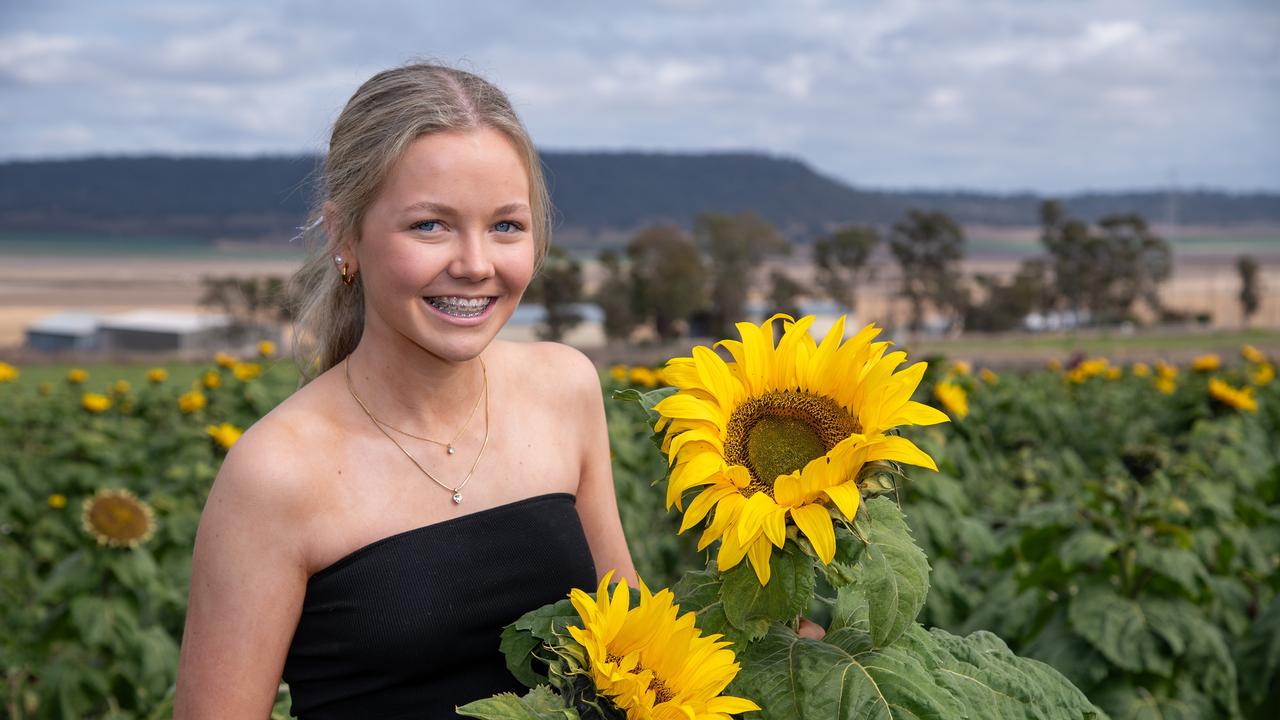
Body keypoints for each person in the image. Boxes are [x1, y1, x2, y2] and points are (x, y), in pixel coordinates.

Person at [174, 63, 637, 718]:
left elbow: (633, 639)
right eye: (430, 226)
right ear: (344, 236)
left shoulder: (564, 387)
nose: (476, 264)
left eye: (506, 225)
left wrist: (772, 638)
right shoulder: (274, 473)